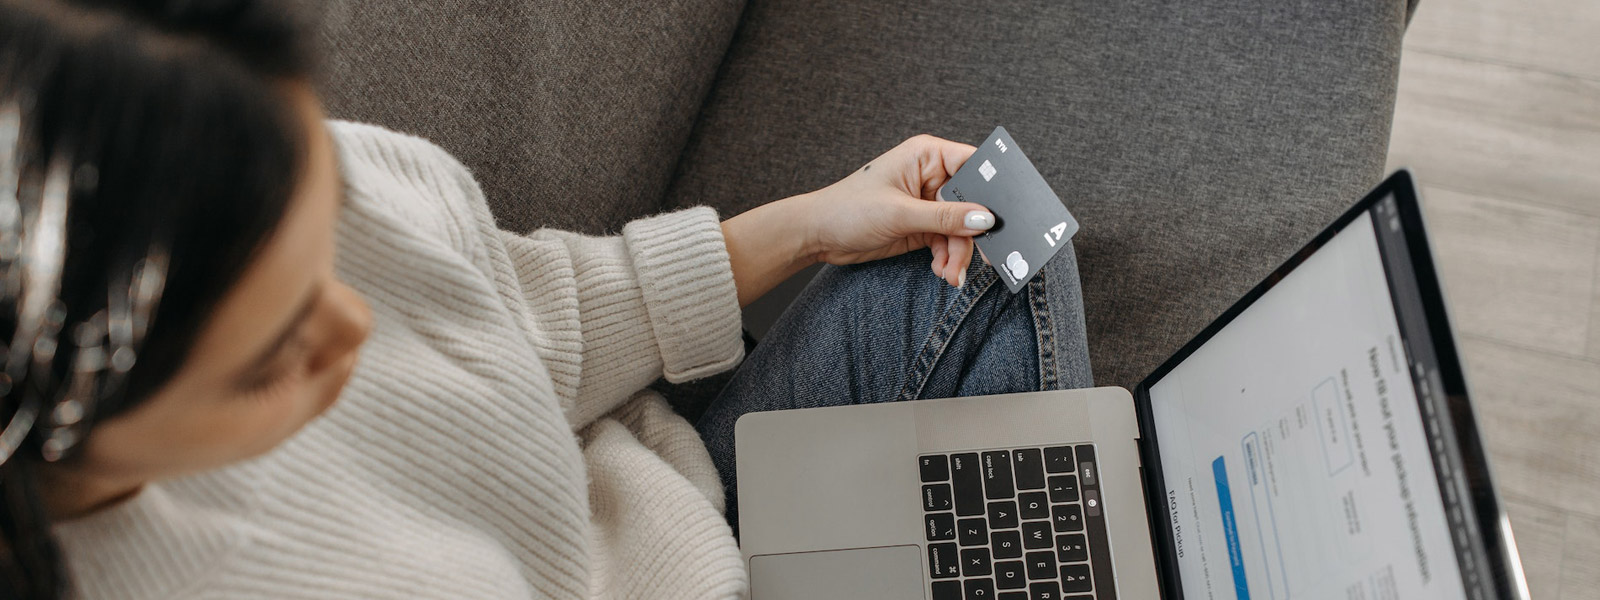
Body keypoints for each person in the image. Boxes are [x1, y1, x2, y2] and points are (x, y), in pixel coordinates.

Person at [0, 0, 1091, 598]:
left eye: (328, 230)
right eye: (273, 357)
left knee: (992, 230)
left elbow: (537, 313)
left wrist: (820, 220)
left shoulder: (260, 159)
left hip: (680, 502)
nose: (357, 327)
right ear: (61, 430)